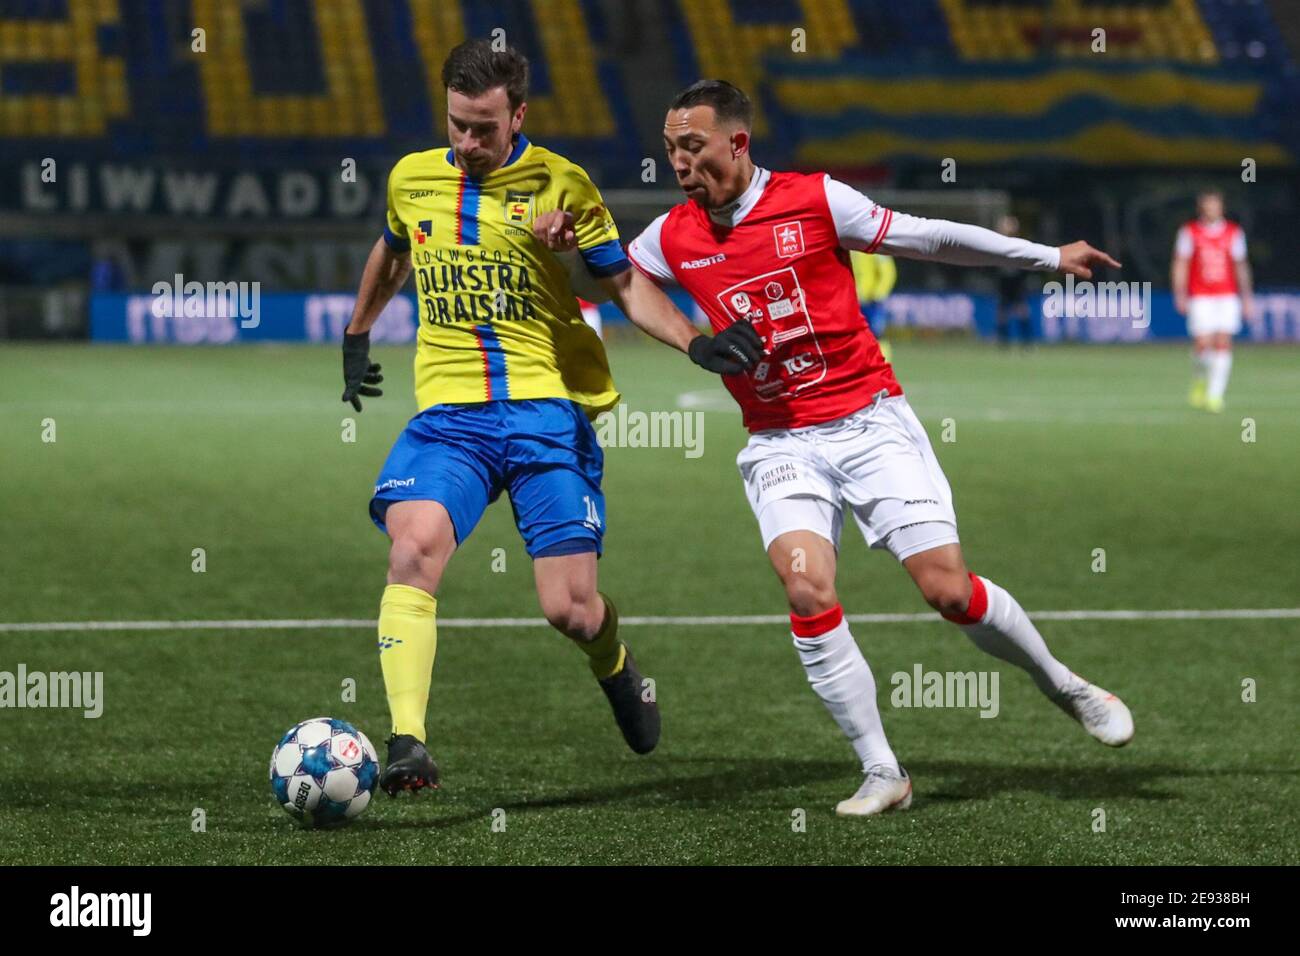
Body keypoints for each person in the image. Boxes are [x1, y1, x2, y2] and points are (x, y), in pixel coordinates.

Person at [539, 79, 1133, 817]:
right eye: (669, 151)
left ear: (737, 142)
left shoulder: (816, 199)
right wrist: (592, 275)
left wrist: (1044, 256)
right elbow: (621, 283)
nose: (680, 164)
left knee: (947, 589)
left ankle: (1062, 682)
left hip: (869, 421)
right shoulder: (673, 235)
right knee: (805, 586)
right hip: (779, 440)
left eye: (692, 147)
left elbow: (929, 236)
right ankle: (883, 770)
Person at [342, 46, 758, 796]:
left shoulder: (562, 186)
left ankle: (616, 666)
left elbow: (623, 283)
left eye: (484, 130)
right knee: (413, 552)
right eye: (457, 126)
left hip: (545, 411)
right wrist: (357, 330)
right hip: (451, 418)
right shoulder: (412, 178)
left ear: (519, 117)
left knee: (568, 608)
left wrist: (695, 342)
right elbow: (393, 249)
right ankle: (408, 741)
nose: (468, 145)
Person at [1172, 189, 1253, 413]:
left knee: (1223, 341)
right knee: (1202, 343)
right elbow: (1181, 263)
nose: (1211, 209)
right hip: (1200, 295)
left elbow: (1241, 265)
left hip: (1227, 295)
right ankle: (1199, 379)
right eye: (1207, 205)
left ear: (1221, 207)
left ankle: (1215, 395)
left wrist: (1247, 297)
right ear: (1201, 208)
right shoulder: (1189, 232)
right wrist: (1180, 293)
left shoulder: (1234, 232)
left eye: (1215, 205)